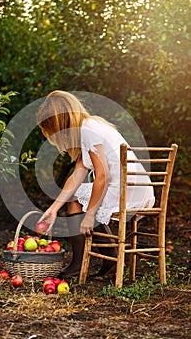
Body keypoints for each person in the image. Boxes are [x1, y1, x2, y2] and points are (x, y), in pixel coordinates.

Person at [36, 90, 155, 278]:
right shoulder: (90, 125)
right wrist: (53, 209)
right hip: (134, 187)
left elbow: (103, 177)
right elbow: (77, 174)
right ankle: (109, 259)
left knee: (77, 201)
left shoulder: (87, 130)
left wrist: (90, 214)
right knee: (77, 197)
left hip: (128, 189)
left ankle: (81, 263)